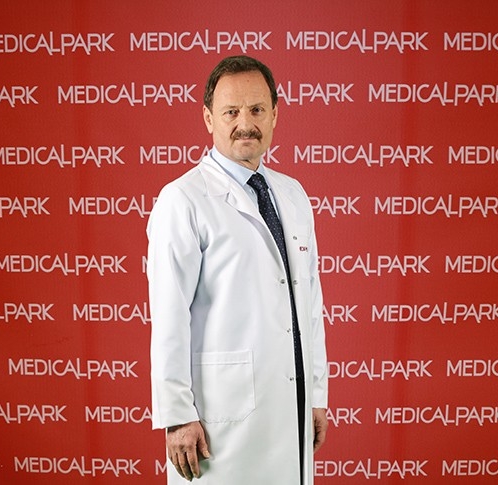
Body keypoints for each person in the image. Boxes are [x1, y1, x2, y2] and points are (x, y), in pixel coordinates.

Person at [147, 55, 328, 484]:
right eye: (231, 112)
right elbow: (169, 316)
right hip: (220, 421)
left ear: (275, 115)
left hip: (290, 408)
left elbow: (310, 305)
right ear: (208, 119)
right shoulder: (183, 200)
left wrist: (315, 394)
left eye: (257, 109)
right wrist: (177, 415)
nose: (245, 124)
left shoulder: (292, 194)